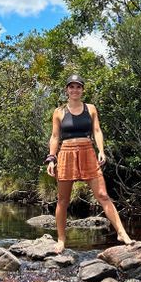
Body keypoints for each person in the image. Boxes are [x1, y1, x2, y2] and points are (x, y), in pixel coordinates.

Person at [45, 73, 131, 252]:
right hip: (66, 153)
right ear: (67, 90)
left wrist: (101, 150)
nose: (75, 90)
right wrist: (51, 158)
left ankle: (121, 232)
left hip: (88, 152)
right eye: (72, 87)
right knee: (63, 200)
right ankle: (61, 240)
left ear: (82, 90)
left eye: (78, 87)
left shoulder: (90, 108)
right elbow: (54, 136)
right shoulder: (59, 111)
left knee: (103, 195)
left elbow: (97, 131)